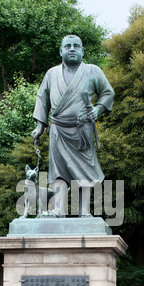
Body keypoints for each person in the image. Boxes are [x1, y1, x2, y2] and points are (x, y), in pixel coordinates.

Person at [32, 35, 115, 217]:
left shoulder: (93, 71)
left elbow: (108, 93)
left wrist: (98, 109)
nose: (72, 49)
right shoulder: (51, 74)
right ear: (61, 51)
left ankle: (84, 211)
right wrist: (40, 126)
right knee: (58, 170)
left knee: (85, 170)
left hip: (81, 129)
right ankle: (59, 209)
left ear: (82, 51)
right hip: (58, 129)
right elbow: (42, 99)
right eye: (67, 46)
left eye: (76, 46)